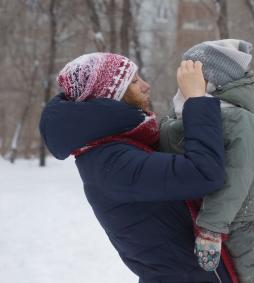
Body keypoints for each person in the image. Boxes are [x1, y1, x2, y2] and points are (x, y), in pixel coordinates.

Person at [39, 52, 235, 282]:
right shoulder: (110, 162)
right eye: (133, 81)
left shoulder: (118, 147)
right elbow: (204, 173)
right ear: (110, 96)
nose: (145, 85)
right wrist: (196, 101)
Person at [160, 39, 254, 283]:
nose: (181, 80)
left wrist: (210, 229)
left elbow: (237, 175)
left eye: (191, 72)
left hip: (238, 225)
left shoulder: (237, 118)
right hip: (219, 221)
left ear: (209, 79)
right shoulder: (193, 112)